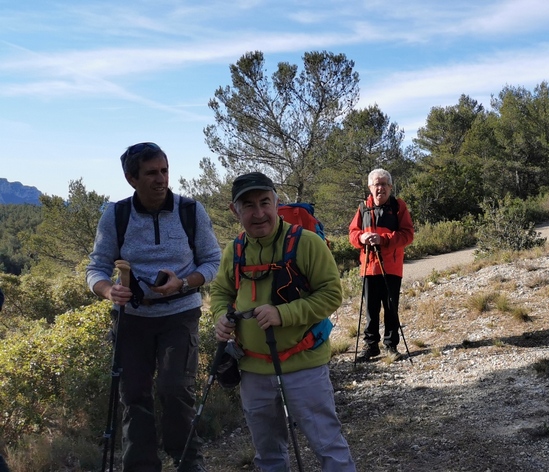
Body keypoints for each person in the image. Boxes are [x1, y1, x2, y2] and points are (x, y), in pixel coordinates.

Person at [85, 142, 221, 472]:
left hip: (180, 314)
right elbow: (96, 267)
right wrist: (109, 291)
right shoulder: (115, 215)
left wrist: (184, 283)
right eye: (151, 173)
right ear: (131, 178)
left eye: (164, 170)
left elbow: (212, 261)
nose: (161, 179)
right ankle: (141, 466)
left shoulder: (191, 211)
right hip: (131, 318)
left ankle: (187, 462)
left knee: (174, 389)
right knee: (134, 395)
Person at [210, 172, 356, 472]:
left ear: (277, 202)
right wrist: (220, 316)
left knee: (328, 446)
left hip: (304, 366)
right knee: (268, 455)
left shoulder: (307, 244)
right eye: (248, 205)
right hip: (252, 371)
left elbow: (331, 295)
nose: (259, 213)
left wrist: (283, 314)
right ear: (234, 210)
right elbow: (221, 291)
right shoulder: (234, 250)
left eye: (265, 202)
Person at [349, 168, 415, 362]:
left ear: (390, 187)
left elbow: (407, 234)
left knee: (391, 307)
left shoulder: (398, 207)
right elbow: (352, 234)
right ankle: (371, 346)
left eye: (384, 184)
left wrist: (383, 239)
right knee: (370, 309)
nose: (380, 188)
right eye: (377, 184)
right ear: (370, 187)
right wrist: (362, 237)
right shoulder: (363, 208)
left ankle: (391, 346)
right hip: (368, 268)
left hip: (391, 268)